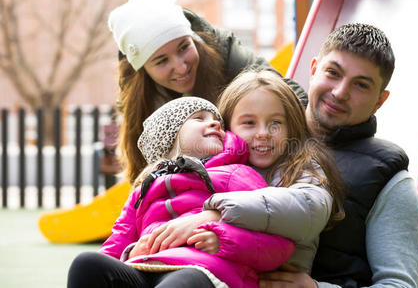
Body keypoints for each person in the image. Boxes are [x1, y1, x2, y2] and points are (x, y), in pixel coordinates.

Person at [258, 23, 418, 287]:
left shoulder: (391, 182)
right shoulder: (256, 133)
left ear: (380, 101)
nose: (340, 92)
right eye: (333, 73)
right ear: (313, 70)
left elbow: (399, 285)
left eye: (361, 85)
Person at [67, 97, 295, 288]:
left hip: (204, 271)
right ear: (172, 135)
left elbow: (278, 240)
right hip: (146, 268)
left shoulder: (235, 173)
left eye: (217, 120)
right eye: (199, 118)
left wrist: (223, 240)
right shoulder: (144, 190)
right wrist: (131, 251)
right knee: (86, 264)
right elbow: (116, 243)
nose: (215, 123)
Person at [139, 69, 346, 276]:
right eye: (249, 123)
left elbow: (308, 208)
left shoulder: (302, 168)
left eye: (276, 123)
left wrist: (216, 214)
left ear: (292, 126)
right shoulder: (212, 169)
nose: (263, 133)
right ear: (226, 127)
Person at [108, 0, 307, 183]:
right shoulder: (139, 99)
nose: (181, 67)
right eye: (161, 61)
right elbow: (140, 173)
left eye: (184, 47)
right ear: (143, 70)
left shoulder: (222, 51)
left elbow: (290, 96)